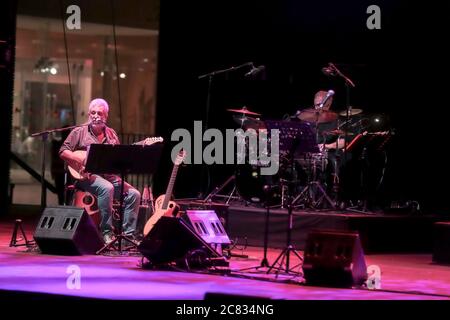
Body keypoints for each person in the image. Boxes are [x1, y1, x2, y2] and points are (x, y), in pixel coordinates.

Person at [59, 98, 141, 244]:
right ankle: (107, 233)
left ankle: (128, 237)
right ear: (89, 114)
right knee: (106, 188)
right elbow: (63, 151)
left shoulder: (111, 134)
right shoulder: (79, 131)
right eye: (93, 113)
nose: (96, 116)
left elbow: (117, 158)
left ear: (106, 116)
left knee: (134, 194)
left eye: (100, 113)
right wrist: (81, 160)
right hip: (85, 177)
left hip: (108, 175)